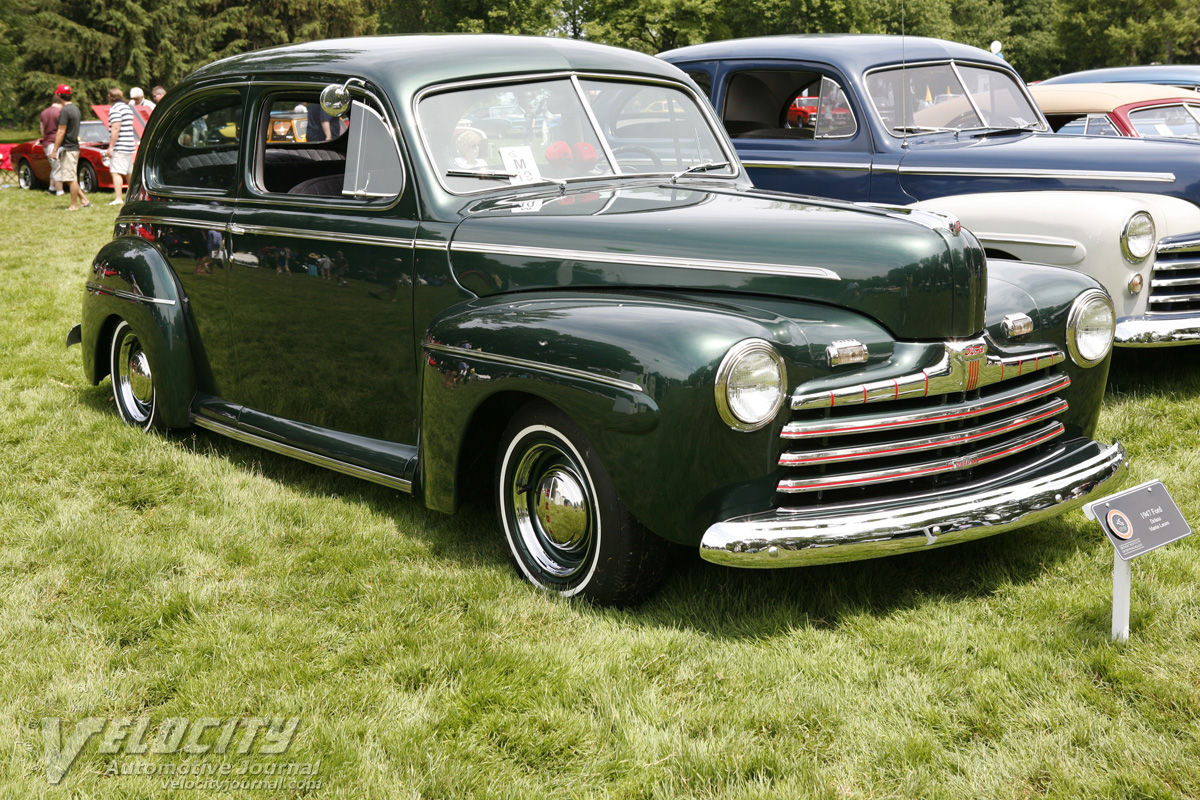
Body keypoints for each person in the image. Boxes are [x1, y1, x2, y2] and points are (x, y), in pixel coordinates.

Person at [47, 85, 89, 211]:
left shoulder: (65, 111)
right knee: (70, 176)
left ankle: (73, 205)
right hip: (74, 147)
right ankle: (84, 200)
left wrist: (54, 150)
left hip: (68, 148)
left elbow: (61, 131)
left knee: (70, 178)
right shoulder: (75, 109)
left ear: (59, 96)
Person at [104, 88, 137, 204]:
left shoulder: (115, 109)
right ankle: (135, 195)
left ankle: (118, 198)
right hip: (129, 144)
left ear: (110, 97)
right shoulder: (127, 108)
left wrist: (111, 146)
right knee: (128, 172)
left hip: (120, 145)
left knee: (116, 172)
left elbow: (116, 128)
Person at [39, 91, 65, 196]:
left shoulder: (44, 112)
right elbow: (62, 129)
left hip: (47, 142)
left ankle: (52, 188)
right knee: (58, 166)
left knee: (54, 166)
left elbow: (42, 129)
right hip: (56, 142)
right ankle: (60, 191)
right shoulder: (60, 113)